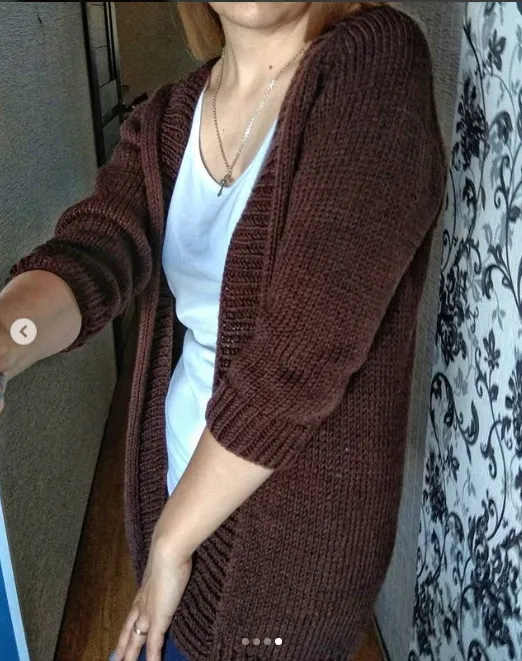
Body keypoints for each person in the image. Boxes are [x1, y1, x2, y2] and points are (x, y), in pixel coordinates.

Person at [0, 2, 447, 660]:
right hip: (174, 500)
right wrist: (7, 335)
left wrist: (173, 539)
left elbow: (305, 347)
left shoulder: (373, 64)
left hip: (292, 558)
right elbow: (97, 250)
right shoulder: (166, 119)